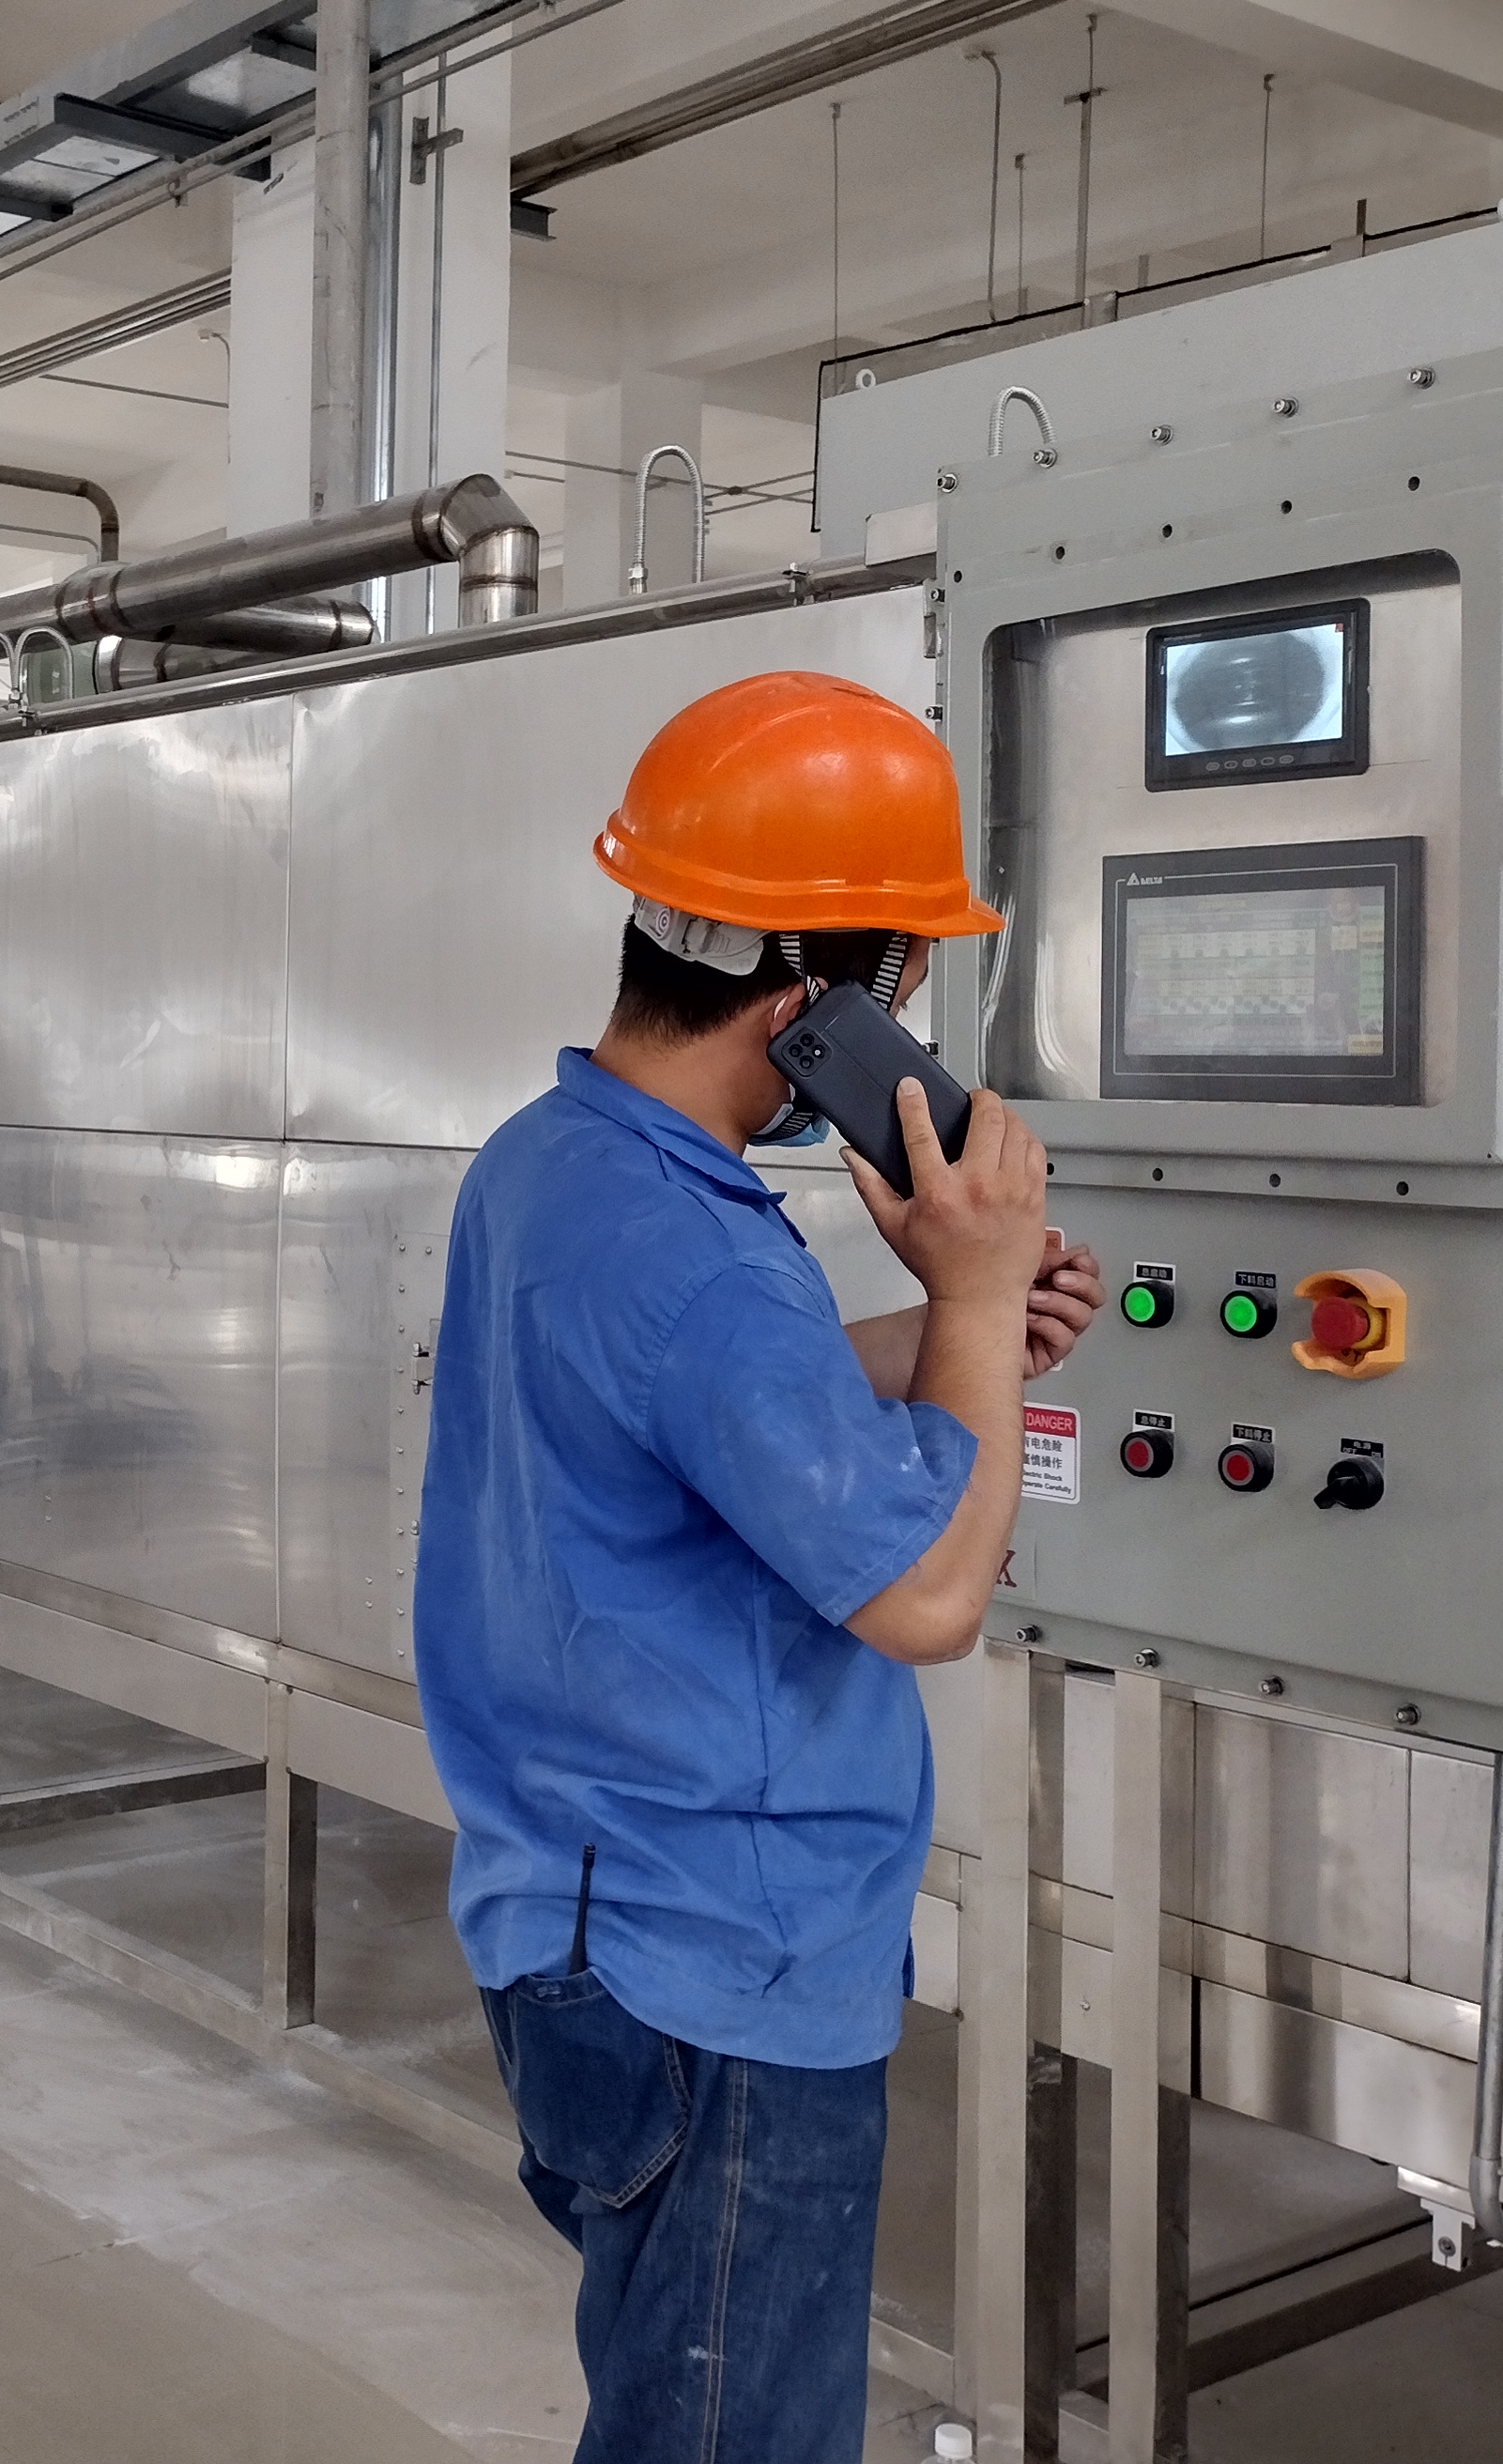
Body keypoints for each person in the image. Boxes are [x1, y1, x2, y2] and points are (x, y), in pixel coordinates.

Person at [414, 670, 1102, 2463]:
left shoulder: (556, 1164)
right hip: (716, 1966)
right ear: (816, 1009)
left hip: (573, 1926)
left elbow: (698, 1409)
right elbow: (928, 1602)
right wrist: (971, 1293)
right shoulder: (707, 1258)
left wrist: (953, 1337)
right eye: (904, 987)